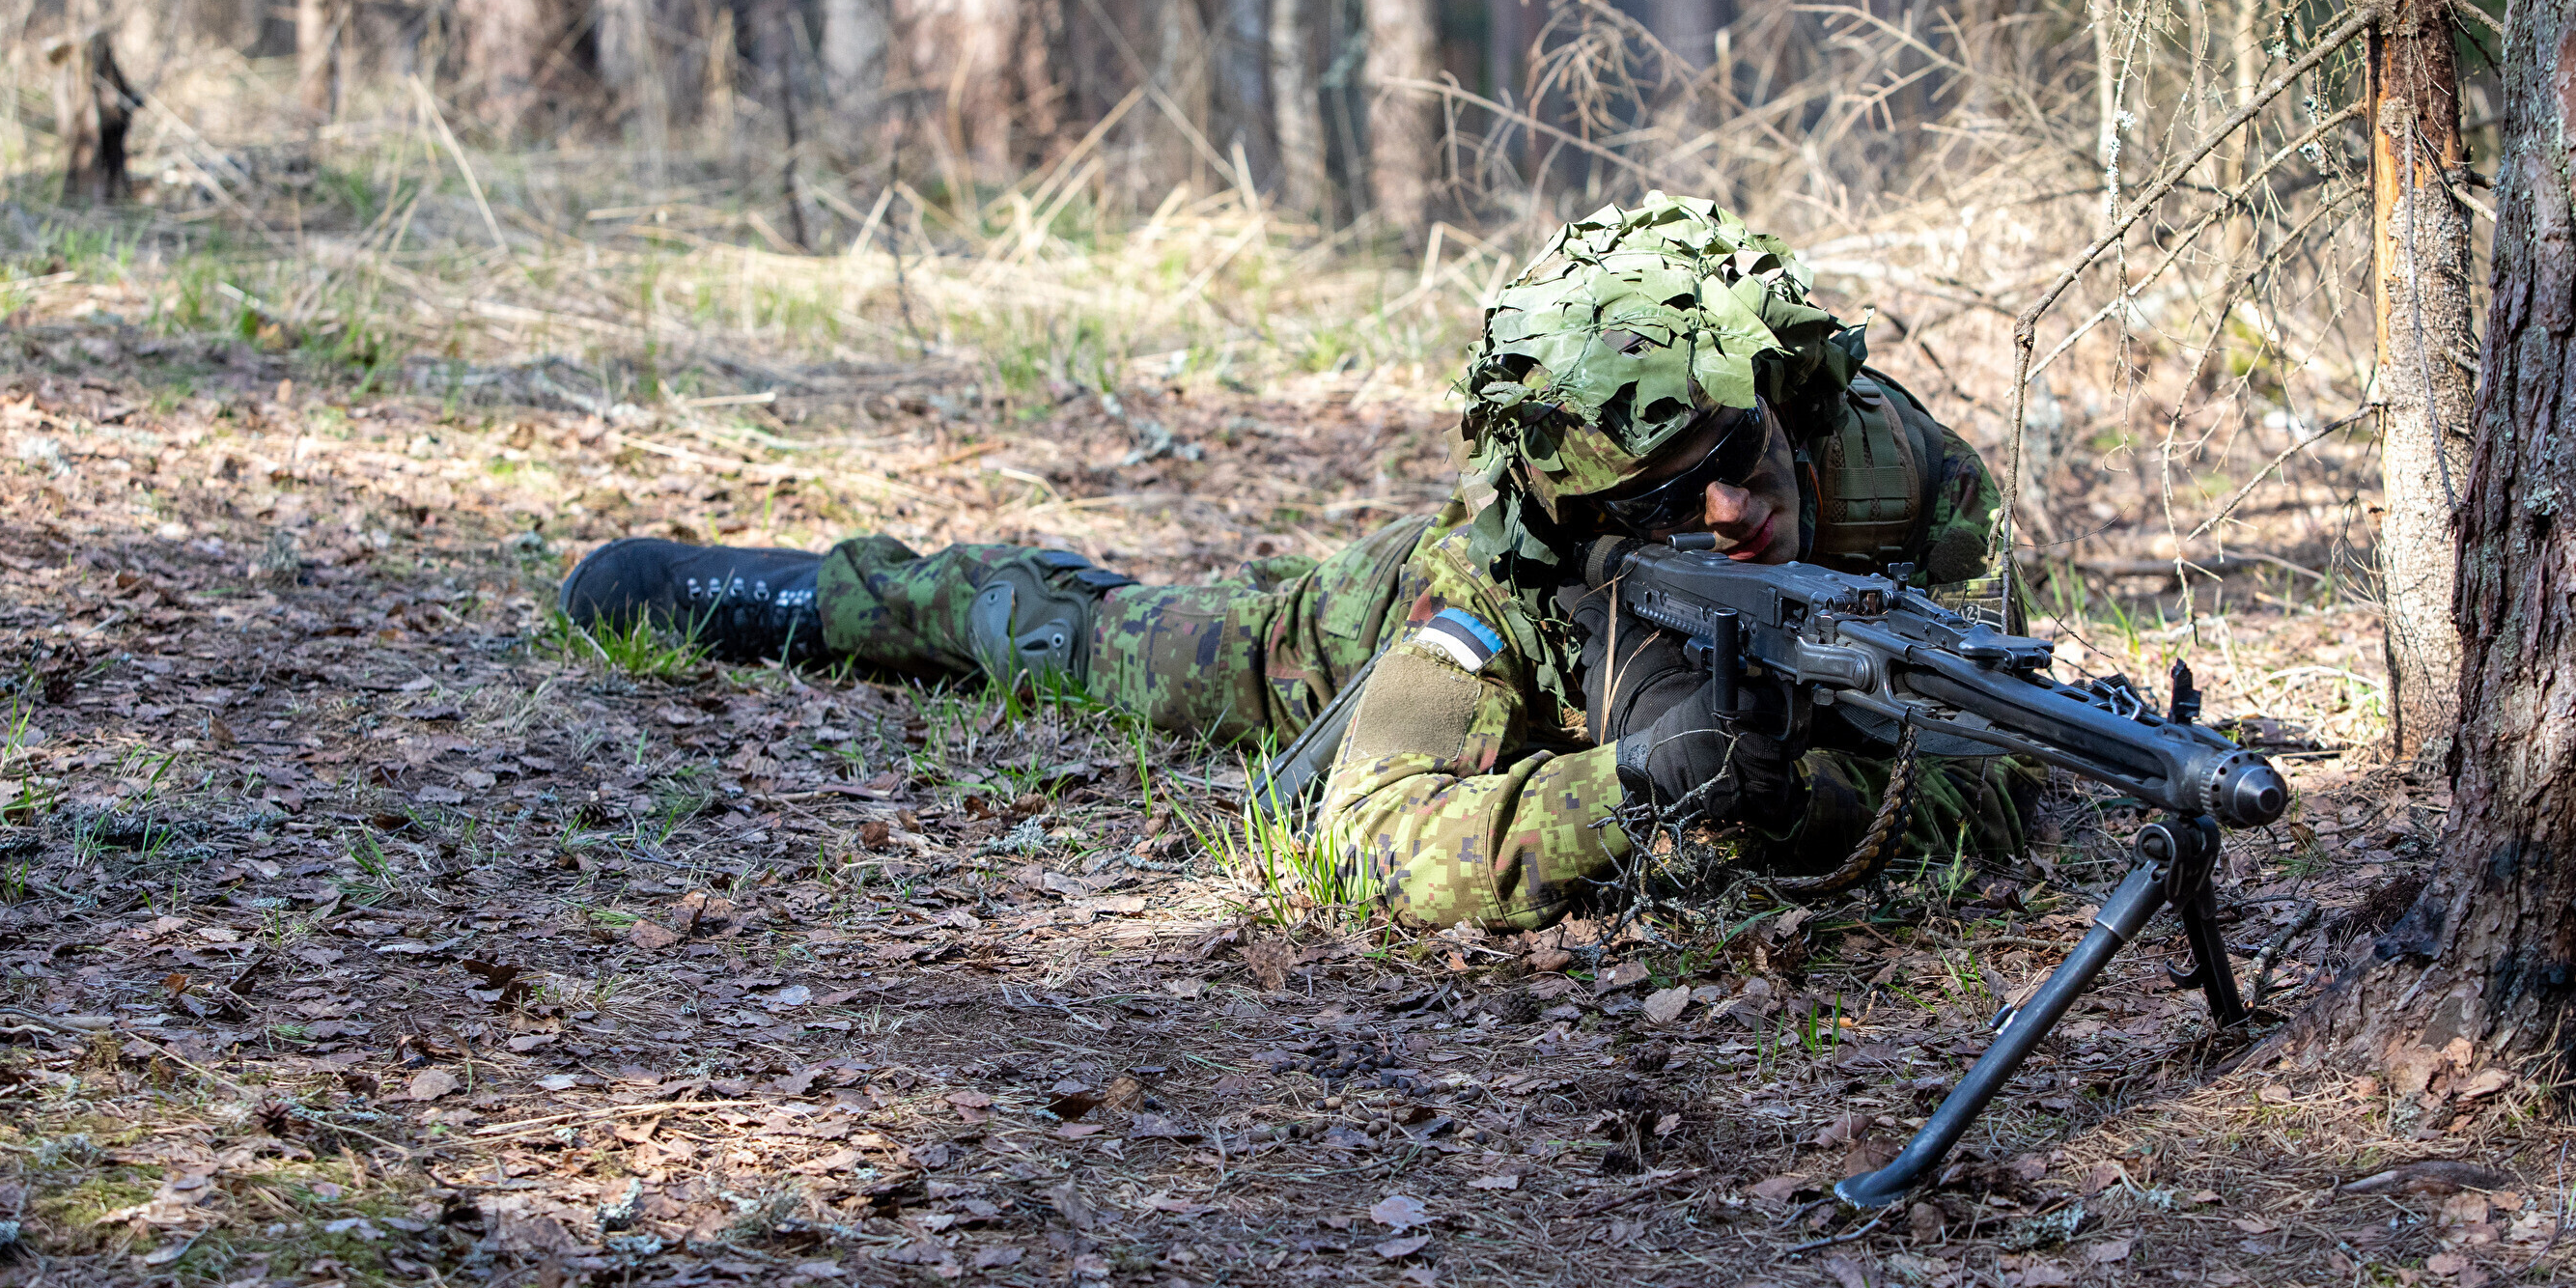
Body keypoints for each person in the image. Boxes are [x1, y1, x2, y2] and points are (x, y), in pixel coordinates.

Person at [560, 197, 2018, 929]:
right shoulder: (1489, 585)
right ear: (1583, 521)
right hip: (1354, 635)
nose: (1733, 512)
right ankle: (826, 598)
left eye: (1742, 456)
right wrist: (1625, 792)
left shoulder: (1906, 480)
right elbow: (1368, 833)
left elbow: (2006, 763)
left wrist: (1808, 806)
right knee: (1115, 647)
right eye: (1669, 501)